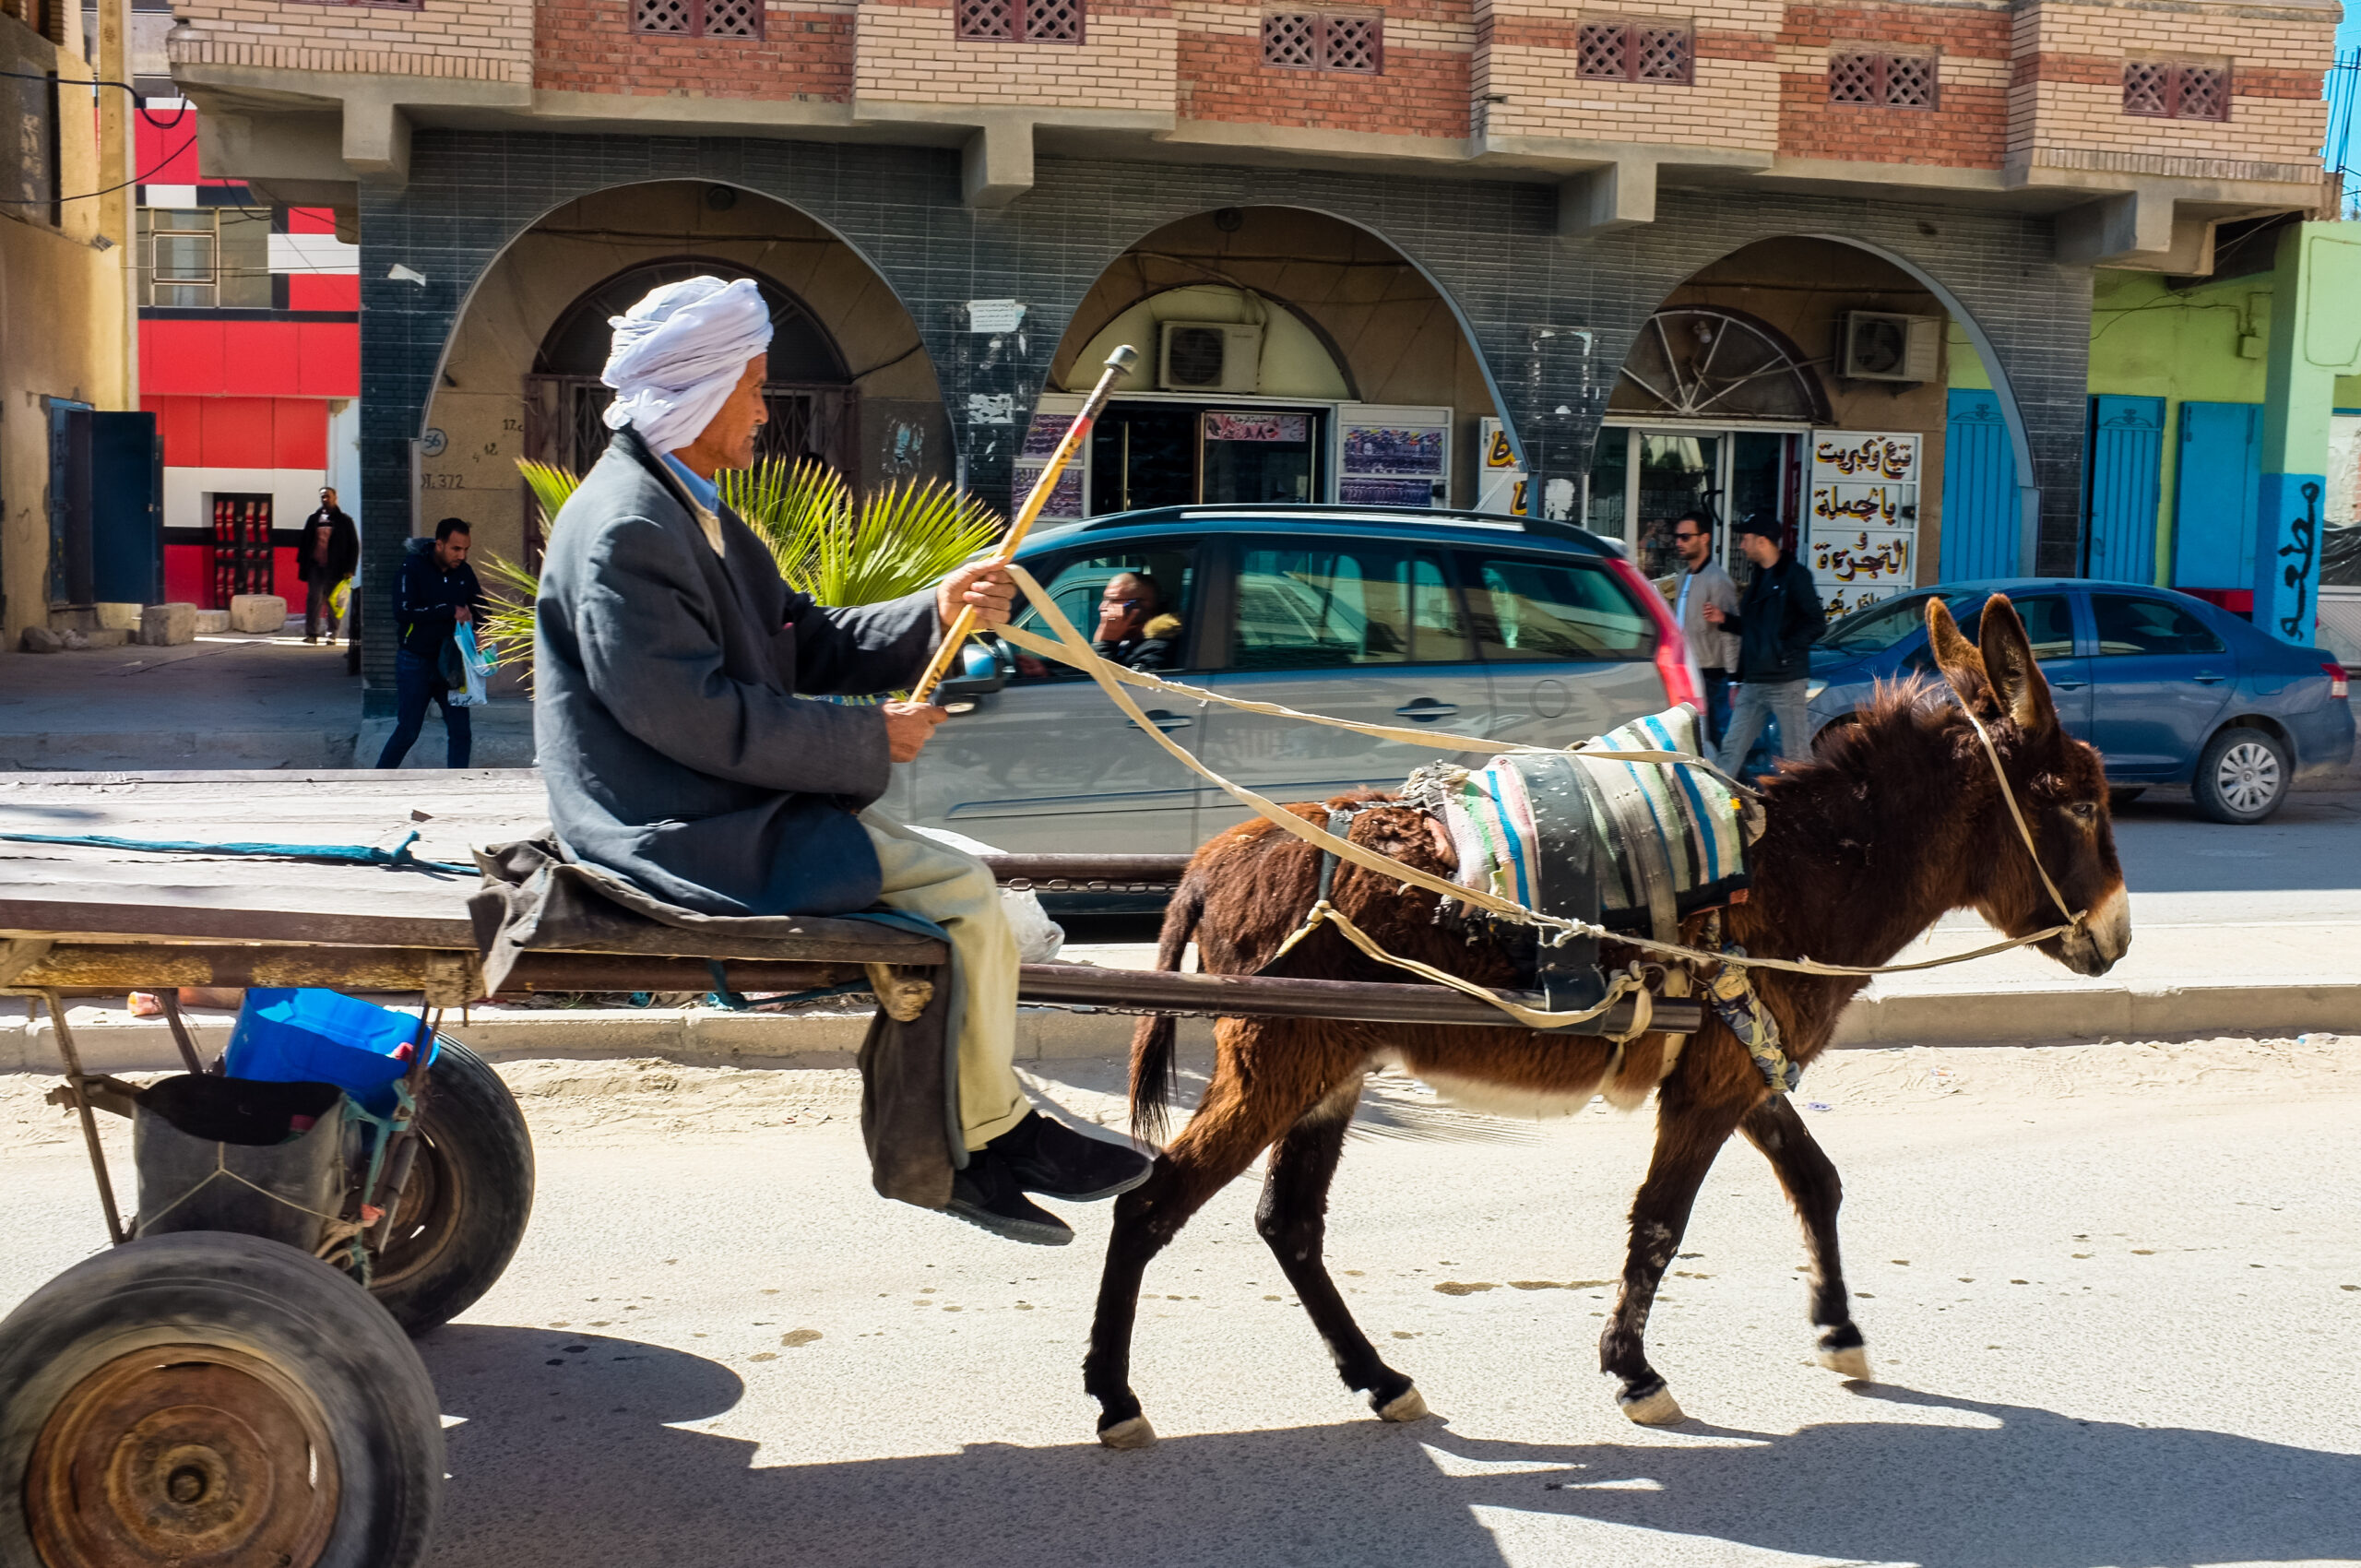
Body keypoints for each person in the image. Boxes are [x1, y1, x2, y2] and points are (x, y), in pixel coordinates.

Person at [535, 275, 1151, 1246]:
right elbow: (682, 715)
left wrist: (935, 607)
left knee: (961, 889)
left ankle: (982, 1125)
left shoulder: (685, 507)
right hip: (677, 824)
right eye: (752, 387)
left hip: (722, 801)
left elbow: (803, 638)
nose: (762, 410)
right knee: (959, 892)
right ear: (695, 391)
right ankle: (982, 1139)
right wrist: (866, 738)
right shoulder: (629, 528)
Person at [1703, 513, 1821, 774]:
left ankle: (1812, 809)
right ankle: (1717, 807)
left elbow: (1816, 623)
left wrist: (1784, 651)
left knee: (1797, 758)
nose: (1741, 545)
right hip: (1754, 683)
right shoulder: (1757, 579)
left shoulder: (1795, 576)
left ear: (1763, 541)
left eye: (1746, 539)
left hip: (1786, 681)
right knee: (1730, 751)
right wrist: (1726, 620)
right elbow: (1753, 629)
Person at [375, 517, 483, 769]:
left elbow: (480, 606)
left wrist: (483, 629)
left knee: (461, 732)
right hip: (415, 662)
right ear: (439, 544)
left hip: (453, 665)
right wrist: (448, 609)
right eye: (456, 548)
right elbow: (403, 611)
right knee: (408, 731)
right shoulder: (411, 568)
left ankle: (457, 788)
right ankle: (377, 781)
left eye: (466, 549)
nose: (462, 555)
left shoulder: (464, 573)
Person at [1666, 512, 1738, 747]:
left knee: (1718, 739)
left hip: (1713, 676)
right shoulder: (1683, 577)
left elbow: (1730, 632)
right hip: (1688, 672)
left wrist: (1733, 680)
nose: (1679, 543)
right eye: (1677, 537)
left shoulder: (1717, 580)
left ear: (1704, 538)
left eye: (1686, 537)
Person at [298, 486, 361, 644]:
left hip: (337, 569)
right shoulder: (313, 519)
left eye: (328, 496)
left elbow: (354, 545)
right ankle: (312, 634)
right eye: (323, 497)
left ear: (335, 498)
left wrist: (350, 568)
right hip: (316, 567)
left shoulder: (345, 521)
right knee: (314, 599)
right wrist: (304, 565)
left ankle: (332, 634)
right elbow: (305, 543)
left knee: (334, 602)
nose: (325, 499)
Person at [1091, 572, 1180, 671]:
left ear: (1137, 606)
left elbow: (1109, 684)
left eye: (1113, 600)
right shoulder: (1124, 641)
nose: (1101, 607)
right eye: (1104, 599)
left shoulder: (1158, 648)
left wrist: (1104, 644)